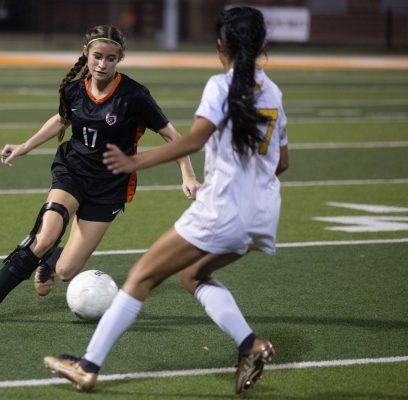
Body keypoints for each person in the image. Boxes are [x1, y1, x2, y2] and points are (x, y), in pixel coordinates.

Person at [44, 6, 289, 395]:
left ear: (220, 45)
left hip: (222, 209)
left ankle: (87, 367)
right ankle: (251, 345)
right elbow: (282, 162)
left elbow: (192, 140)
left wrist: (133, 160)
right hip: (263, 214)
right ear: (261, 45)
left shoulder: (220, 85)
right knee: (193, 276)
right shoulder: (273, 92)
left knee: (141, 276)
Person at [0, 25, 200, 325]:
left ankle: (50, 259)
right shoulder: (73, 89)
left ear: (120, 59)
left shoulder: (135, 95)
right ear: (86, 52)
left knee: (66, 271)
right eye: (98, 56)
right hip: (72, 171)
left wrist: (187, 175)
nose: (102, 64)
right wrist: (25, 146)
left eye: (111, 59)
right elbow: (62, 119)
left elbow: (174, 137)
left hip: (110, 185)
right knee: (43, 235)